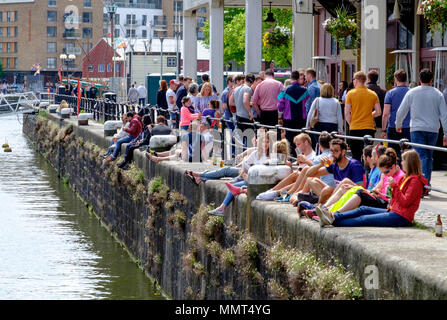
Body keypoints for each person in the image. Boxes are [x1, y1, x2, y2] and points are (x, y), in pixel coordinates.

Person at [316, 150, 428, 228]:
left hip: (401, 217)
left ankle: (333, 221)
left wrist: (394, 186)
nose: (402, 163)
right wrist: (386, 192)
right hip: (394, 210)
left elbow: (405, 202)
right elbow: (396, 198)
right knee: (363, 209)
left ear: (409, 163)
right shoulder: (406, 177)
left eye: (403, 161)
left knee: (364, 219)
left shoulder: (415, 181)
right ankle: (333, 216)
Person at [395, 68, 447, 186]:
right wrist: (446, 133)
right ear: (431, 80)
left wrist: (398, 124)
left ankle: (421, 184)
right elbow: (444, 115)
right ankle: (426, 183)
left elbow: (401, 110)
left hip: (417, 128)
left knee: (420, 156)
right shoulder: (437, 94)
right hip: (433, 129)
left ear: (419, 80)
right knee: (428, 156)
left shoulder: (412, 92)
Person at [208, 131, 277, 216]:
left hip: (263, 182)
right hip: (252, 179)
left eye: (267, 142)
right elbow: (246, 163)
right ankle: (222, 208)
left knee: (234, 183)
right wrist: (246, 173)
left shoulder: (272, 155)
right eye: (263, 142)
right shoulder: (256, 153)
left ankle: (222, 208)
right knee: (234, 186)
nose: (265, 144)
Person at [303, 138, 364, 205]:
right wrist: (320, 164)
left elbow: (360, 189)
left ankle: (322, 206)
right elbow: (309, 174)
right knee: (311, 180)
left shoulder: (354, 165)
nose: (332, 154)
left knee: (342, 183)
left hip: (350, 198)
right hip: (336, 195)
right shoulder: (334, 164)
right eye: (331, 151)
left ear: (343, 152)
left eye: (336, 151)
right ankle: (322, 205)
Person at [345, 71, 382, 161]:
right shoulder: (372, 94)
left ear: (356, 80)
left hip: (355, 128)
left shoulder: (350, 94)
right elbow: (378, 112)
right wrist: (369, 115)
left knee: (356, 155)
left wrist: (351, 123)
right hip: (369, 127)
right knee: (368, 155)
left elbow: (346, 113)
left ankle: (358, 174)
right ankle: (368, 173)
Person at [277, 70, 309, 157]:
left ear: (290, 78)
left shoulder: (284, 90)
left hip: (288, 119)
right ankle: (299, 156)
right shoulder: (305, 90)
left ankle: (291, 156)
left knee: (290, 138)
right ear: (299, 78)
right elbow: (308, 101)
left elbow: (280, 105)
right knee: (300, 137)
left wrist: (280, 117)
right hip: (301, 118)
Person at [382, 69, 411, 161]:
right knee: (408, 153)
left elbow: (385, 113)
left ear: (395, 79)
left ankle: (395, 173)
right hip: (408, 126)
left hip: (393, 126)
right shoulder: (411, 92)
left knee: (393, 154)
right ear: (406, 79)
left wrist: (383, 129)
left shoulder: (390, 93)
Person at [306, 83, 343, 149]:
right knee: (331, 145)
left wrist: (307, 126)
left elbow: (310, 113)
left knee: (319, 144)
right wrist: (340, 130)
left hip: (319, 125)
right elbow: (339, 116)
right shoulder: (336, 101)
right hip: (332, 125)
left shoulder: (317, 100)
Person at [366, 70, 386, 138]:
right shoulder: (383, 92)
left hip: (365, 122)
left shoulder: (364, 91)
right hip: (379, 122)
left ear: (368, 79)